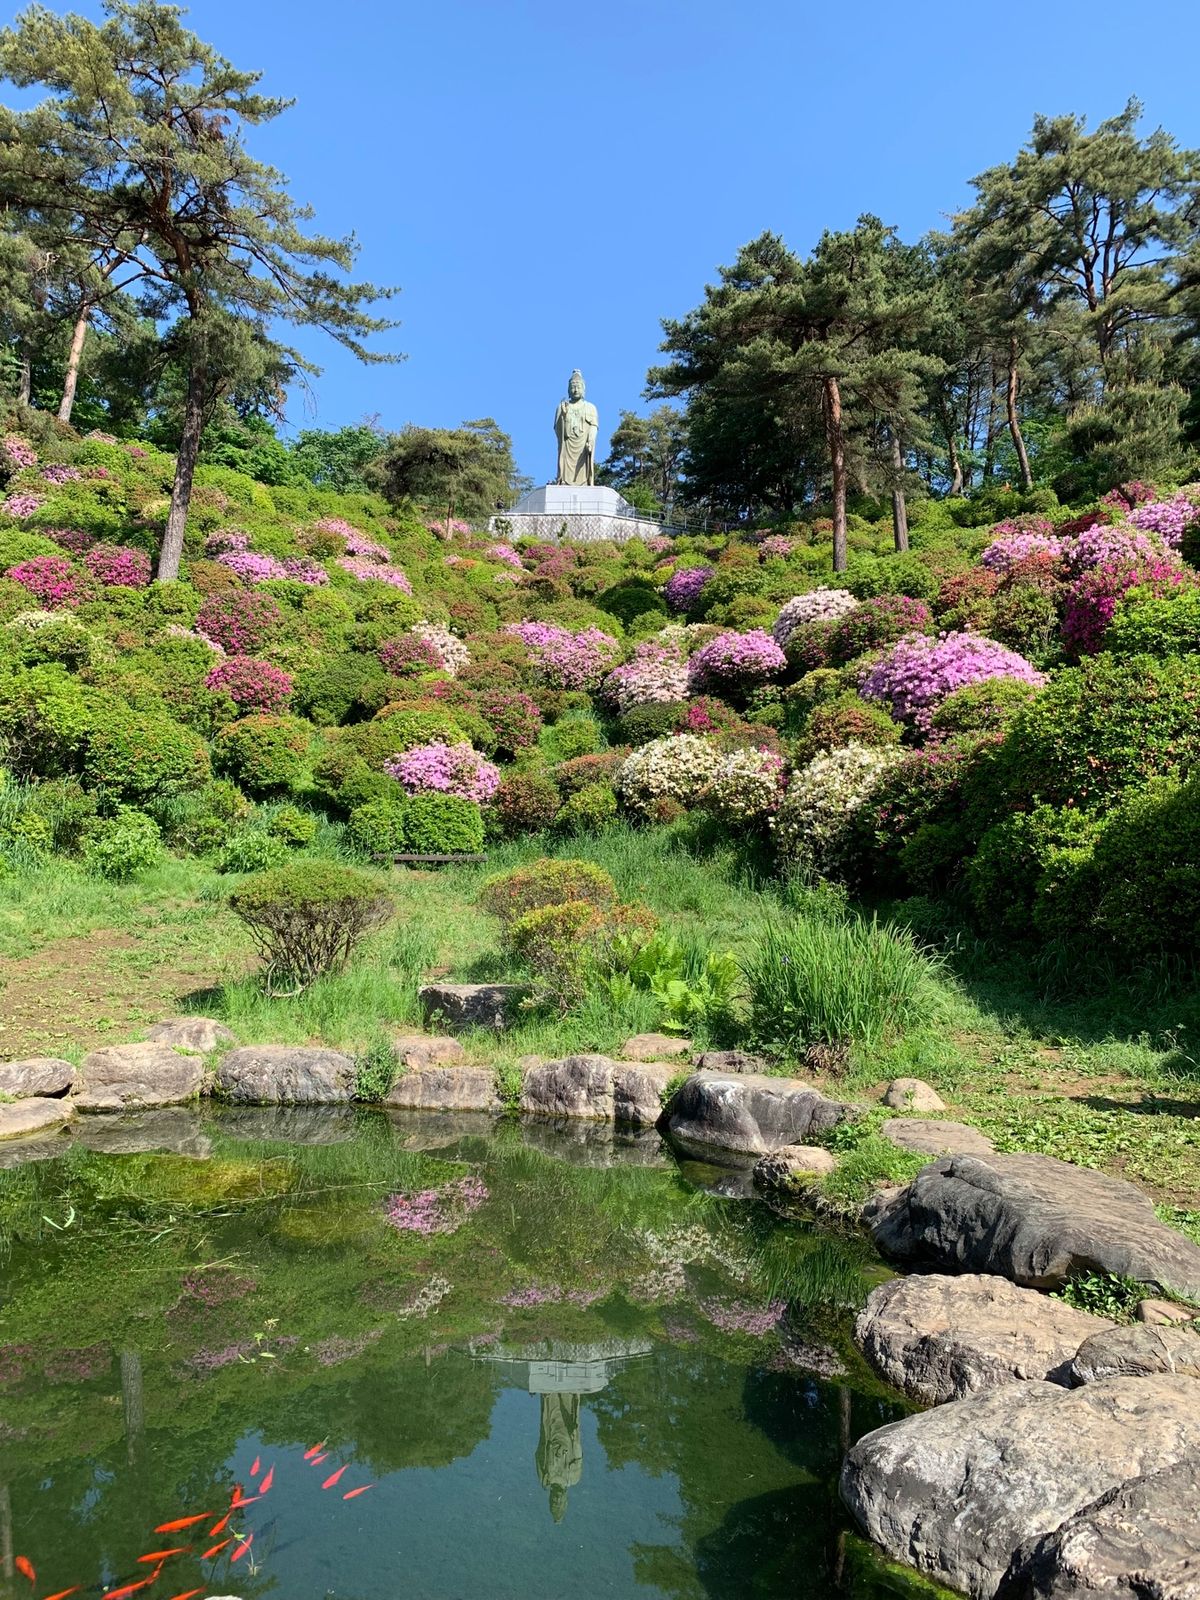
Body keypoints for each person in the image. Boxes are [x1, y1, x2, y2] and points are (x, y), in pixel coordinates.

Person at [534, 1391, 582, 1522]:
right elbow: (578, 1452)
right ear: (564, 1501)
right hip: (567, 1431)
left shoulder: (544, 1479)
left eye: (553, 1501)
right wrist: (575, 1434)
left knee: (550, 1396)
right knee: (568, 1396)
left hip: (550, 1427)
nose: (556, 1499)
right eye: (558, 1502)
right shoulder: (573, 1477)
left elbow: (538, 1455)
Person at [554, 370, 599, 487]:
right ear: (568, 390)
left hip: (583, 447)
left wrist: (591, 440)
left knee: (584, 467)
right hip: (568, 447)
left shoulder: (590, 407)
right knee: (564, 460)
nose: (575, 390)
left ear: (583, 389)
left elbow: (594, 427)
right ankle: (563, 480)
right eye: (572, 387)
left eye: (578, 387)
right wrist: (563, 416)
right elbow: (558, 431)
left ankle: (585, 482)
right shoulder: (562, 406)